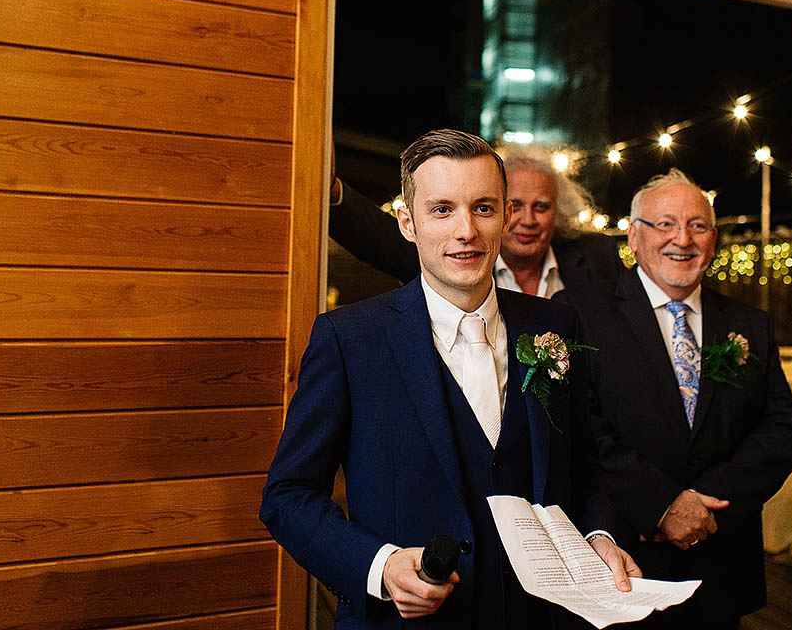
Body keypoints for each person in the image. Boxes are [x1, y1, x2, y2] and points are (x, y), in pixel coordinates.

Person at [261, 129, 638, 629]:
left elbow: (584, 466)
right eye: (442, 209)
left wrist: (599, 538)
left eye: (483, 207)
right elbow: (288, 497)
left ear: (504, 216)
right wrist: (381, 565)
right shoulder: (349, 339)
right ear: (407, 221)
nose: (466, 231)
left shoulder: (555, 326)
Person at [556, 169, 792, 629]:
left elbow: (782, 430)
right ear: (633, 236)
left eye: (698, 225)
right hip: (623, 560)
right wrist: (663, 505)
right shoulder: (579, 313)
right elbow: (582, 428)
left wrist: (707, 504)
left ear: (713, 238)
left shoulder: (749, 323)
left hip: (720, 565)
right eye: (665, 224)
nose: (683, 239)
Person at [329, 143, 622, 296]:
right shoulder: (461, 253)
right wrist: (332, 192)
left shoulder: (597, 258)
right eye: (516, 205)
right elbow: (381, 239)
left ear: (559, 212)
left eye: (542, 207)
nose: (528, 220)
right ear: (499, 211)